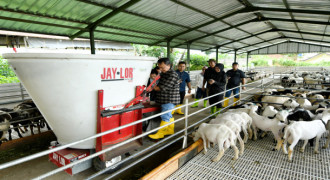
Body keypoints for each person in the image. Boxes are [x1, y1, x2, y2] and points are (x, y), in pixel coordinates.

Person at [148, 58, 180, 140]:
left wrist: (153, 86)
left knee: (165, 116)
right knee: (169, 115)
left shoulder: (172, 75)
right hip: (164, 99)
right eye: (159, 68)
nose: (161, 70)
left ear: (169, 65)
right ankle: (170, 130)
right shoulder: (164, 73)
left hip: (169, 99)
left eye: (163, 67)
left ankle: (160, 133)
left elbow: (161, 88)